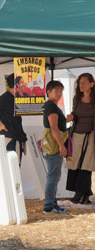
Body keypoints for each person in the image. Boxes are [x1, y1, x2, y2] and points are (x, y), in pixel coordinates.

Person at [66, 72, 95, 204]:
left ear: (92, 84)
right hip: (76, 135)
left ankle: (79, 194)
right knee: (74, 164)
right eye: (79, 82)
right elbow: (74, 113)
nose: (81, 85)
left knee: (86, 165)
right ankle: (85, 194)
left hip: (91, 135)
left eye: (84, 82)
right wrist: (71, 116)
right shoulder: (76, 98)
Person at [42, 81, 68, 214]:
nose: (59, 93)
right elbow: (54, 128)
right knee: (53, 176)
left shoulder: (51, 106)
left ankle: (51, 204)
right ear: (48, 92)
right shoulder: (51, 107)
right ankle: (48, 206)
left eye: (61, 90)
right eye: (56, 90)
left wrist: (67, 119)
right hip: (54, 146)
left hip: (52, 145)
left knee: (53, 176)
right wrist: (61, 146)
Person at [0, 73, 27, 163]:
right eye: (22, 82)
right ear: (16, 85)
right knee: (13, 166)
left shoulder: (17, 97)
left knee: (14, 166)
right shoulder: (6, 97)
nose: (24, 85)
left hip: (15, 136)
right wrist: (0, 123)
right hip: (10, 137)